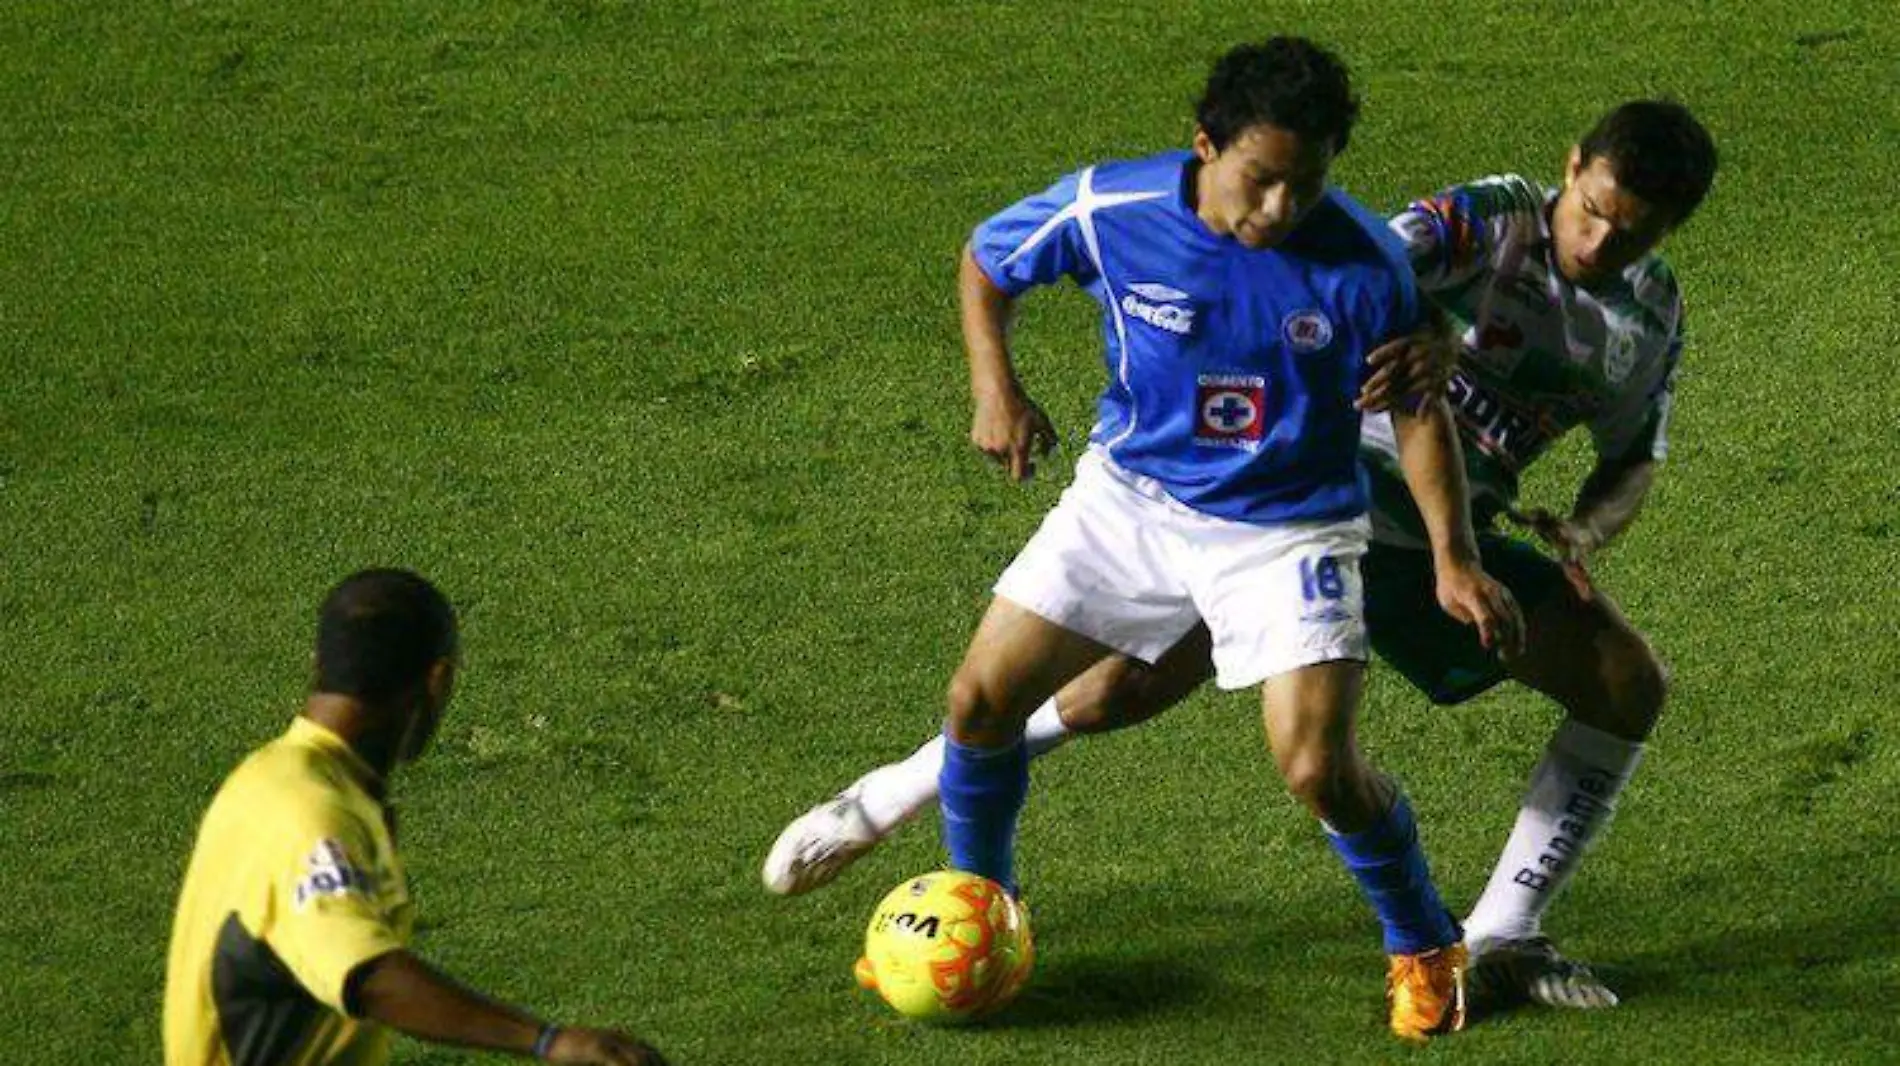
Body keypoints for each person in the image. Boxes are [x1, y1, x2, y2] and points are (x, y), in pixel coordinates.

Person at [764, 99, 1718, 1015]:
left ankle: (1499, 934)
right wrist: (1416, 337)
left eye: (1631, 233)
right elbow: (1333, 269)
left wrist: (1586, 531)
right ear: (1570, 171)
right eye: (1591, 212)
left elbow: (1632, 459)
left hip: (1436, 531)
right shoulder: (1484, 223)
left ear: (1671, 229)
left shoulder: (1650, 318)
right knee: (1114, 694)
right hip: (1308, 491)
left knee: (1623, 684)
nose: (1598, 243)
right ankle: (896, 794)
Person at [164, 569, 667, 1066]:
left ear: (318, 663)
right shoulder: (307, 813)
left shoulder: (279, 778)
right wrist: (547, 1040)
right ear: (438, 679)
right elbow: (368, 974)